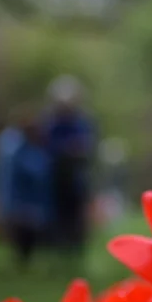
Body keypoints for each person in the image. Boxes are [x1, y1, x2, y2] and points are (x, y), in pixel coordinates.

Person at [0, 108, 53, 266]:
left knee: (25, 233)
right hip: (20, 201)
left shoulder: (14, 143)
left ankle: (23, 261)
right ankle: (22, 261)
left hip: (23, 200)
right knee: (22, 233)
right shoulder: (16, 146)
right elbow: (34, 170)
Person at [42, 75, 96, 251]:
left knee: (76, 215)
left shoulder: (82, 121)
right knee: (58, 215)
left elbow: (89, 145)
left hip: (76, 177)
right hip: (56, 178)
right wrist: (66, 150)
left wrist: (80, 149)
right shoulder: (51, 122)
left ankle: (75, 247)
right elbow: (46, 146)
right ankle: (57, 247)